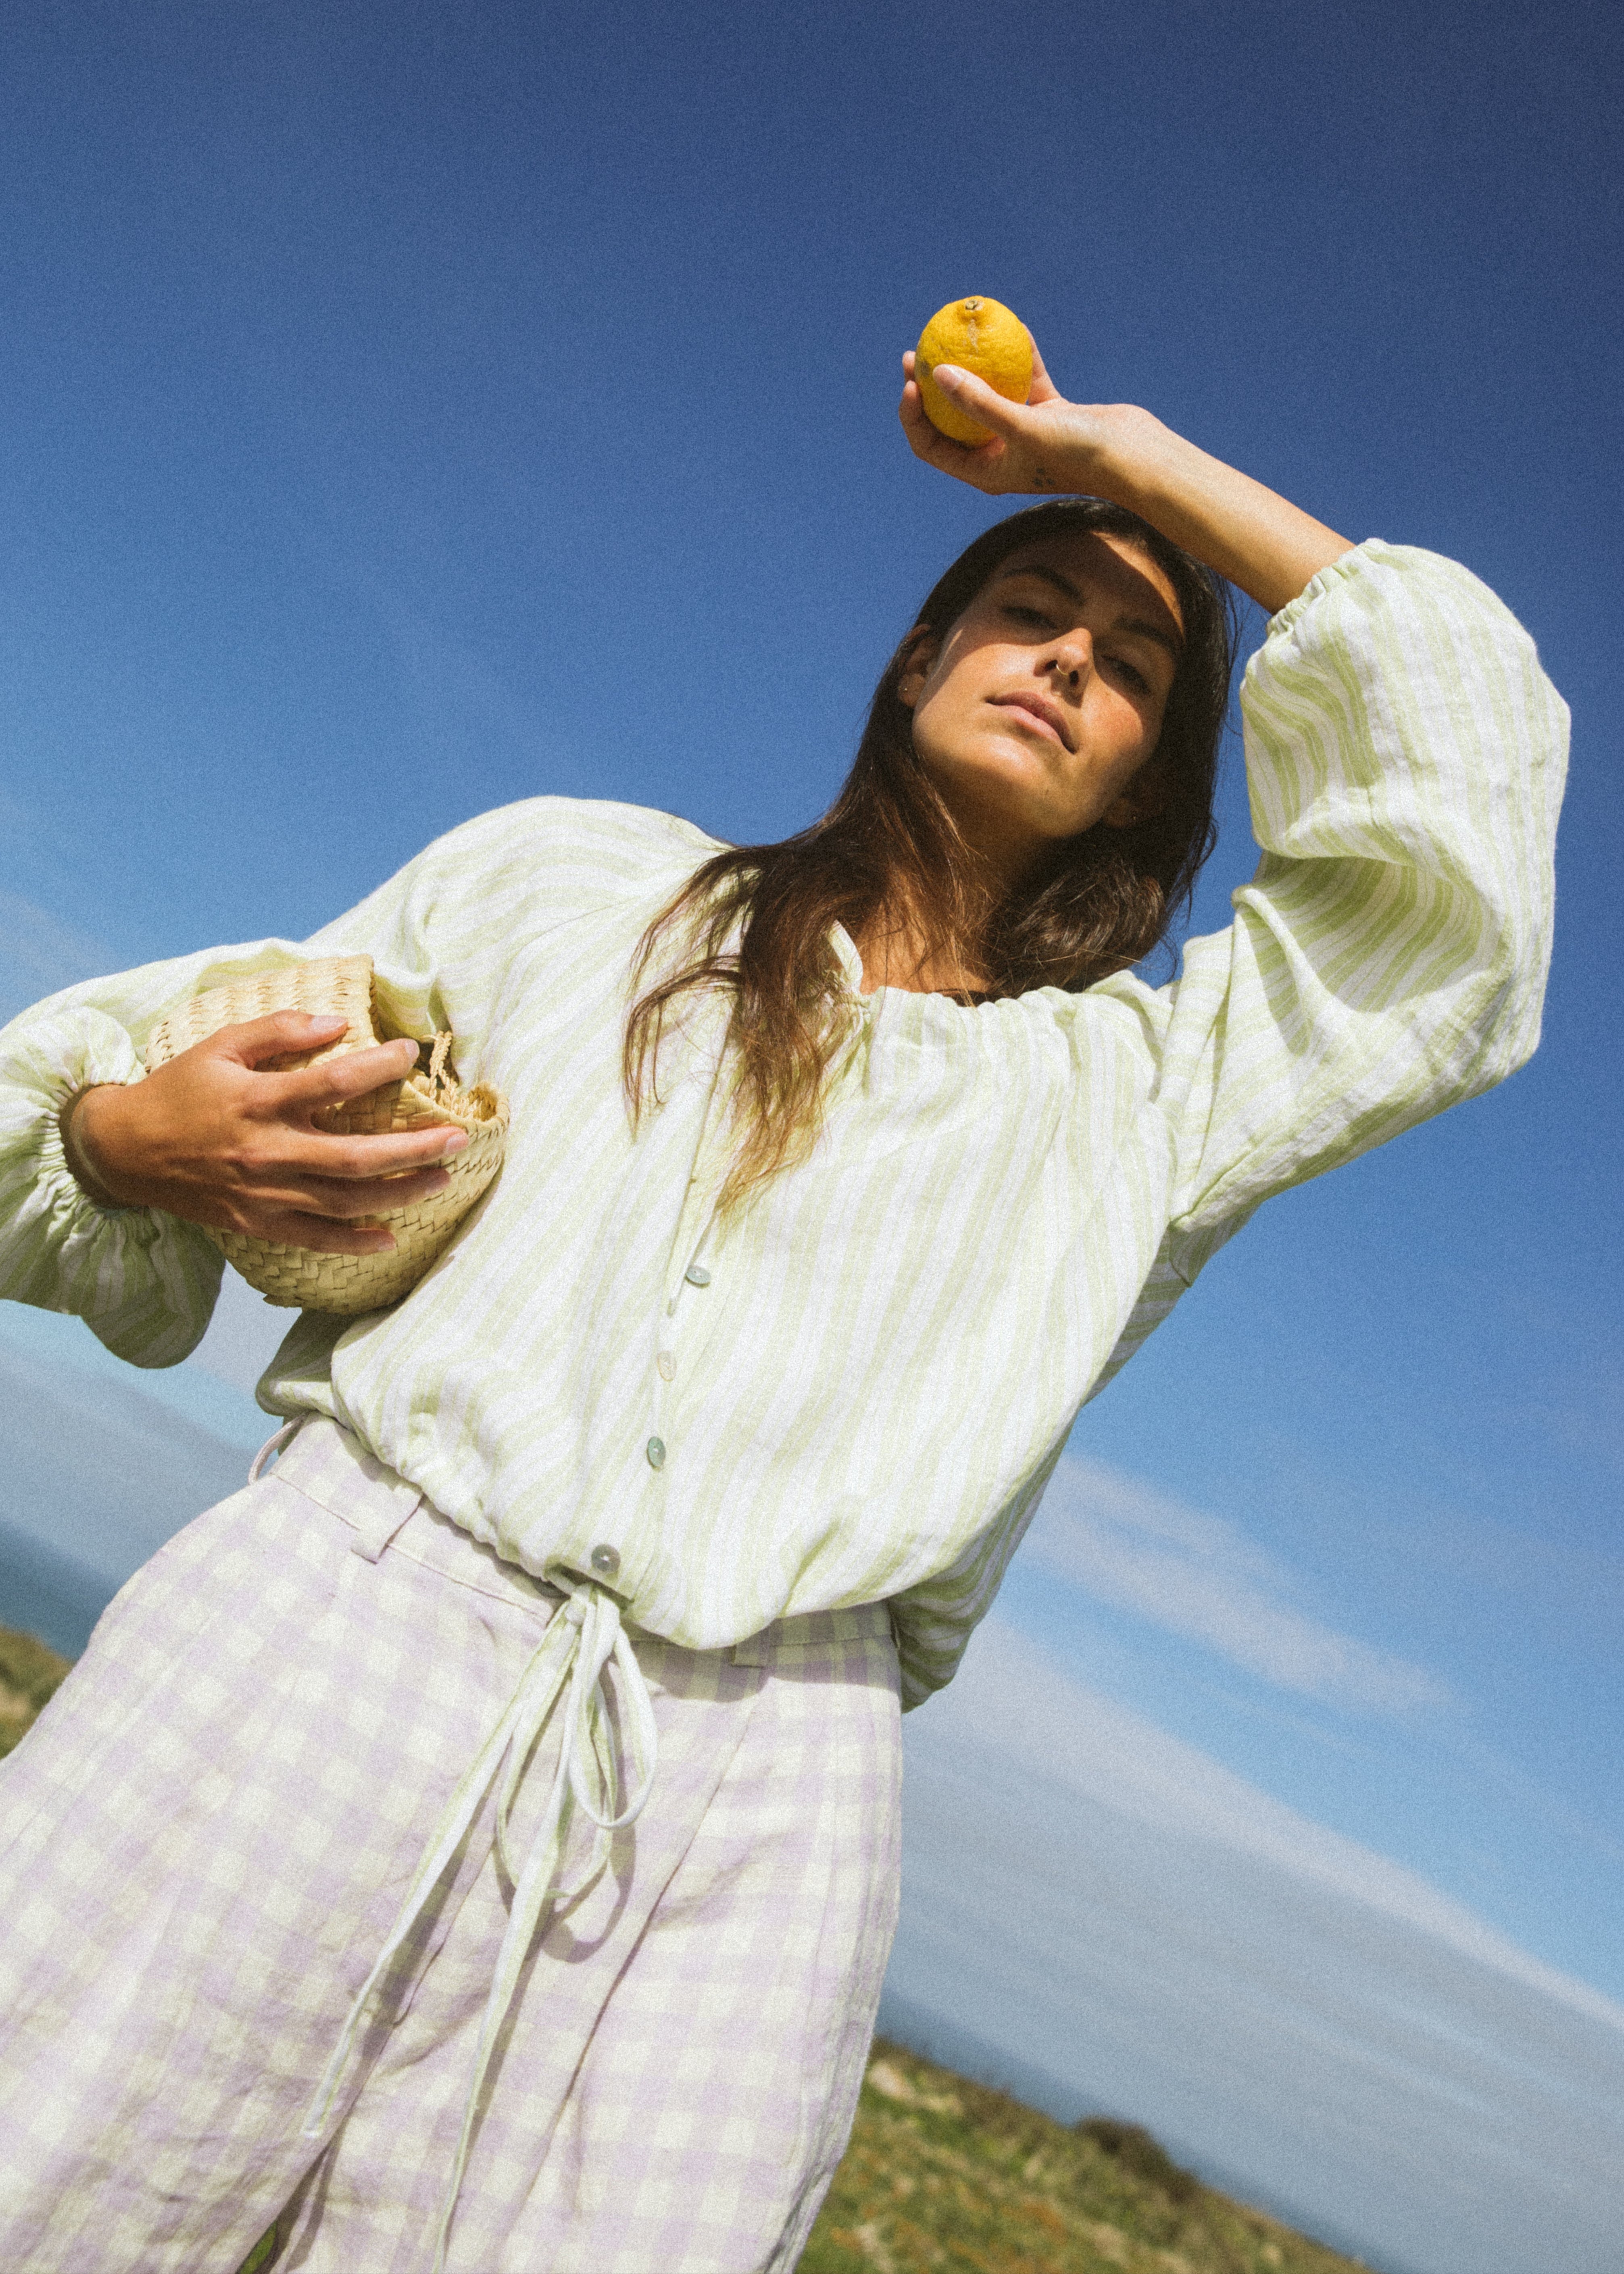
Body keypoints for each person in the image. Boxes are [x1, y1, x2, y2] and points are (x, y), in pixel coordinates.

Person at [0, 338, 1567, 2274]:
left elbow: (1459, 882)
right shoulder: (570, 885)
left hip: (742, 1812)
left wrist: (1123, 458)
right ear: (917, 662)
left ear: (1144, 786)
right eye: (1027, 607)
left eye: (1136, 666)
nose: (1072, 657)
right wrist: (125, 1135)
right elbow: (98, 1101)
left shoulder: (1145, 1104)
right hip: (329, 1631)